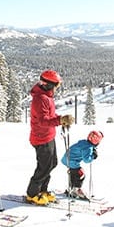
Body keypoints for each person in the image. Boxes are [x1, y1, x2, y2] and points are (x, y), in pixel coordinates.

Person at [26, 70, 75, 206]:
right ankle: (32, 194)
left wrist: (60, 120)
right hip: (41, 138)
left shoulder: (46, 96)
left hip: (48, 136)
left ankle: (42, 190)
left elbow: (50, 115)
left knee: (51, 163)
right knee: (44, 167)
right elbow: (43, 120)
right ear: (48, 85)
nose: (56, 88)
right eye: (56, 86)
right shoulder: (40, 99)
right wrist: (60, 120)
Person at [61, 130, 104, 199]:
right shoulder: (87, 147)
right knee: (80, 174)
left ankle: (71, 188)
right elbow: (86, 160)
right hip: (71, 161)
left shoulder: (84, 143)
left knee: (74, 174)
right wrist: (93, 156)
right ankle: (76, 190)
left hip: (66, 159)